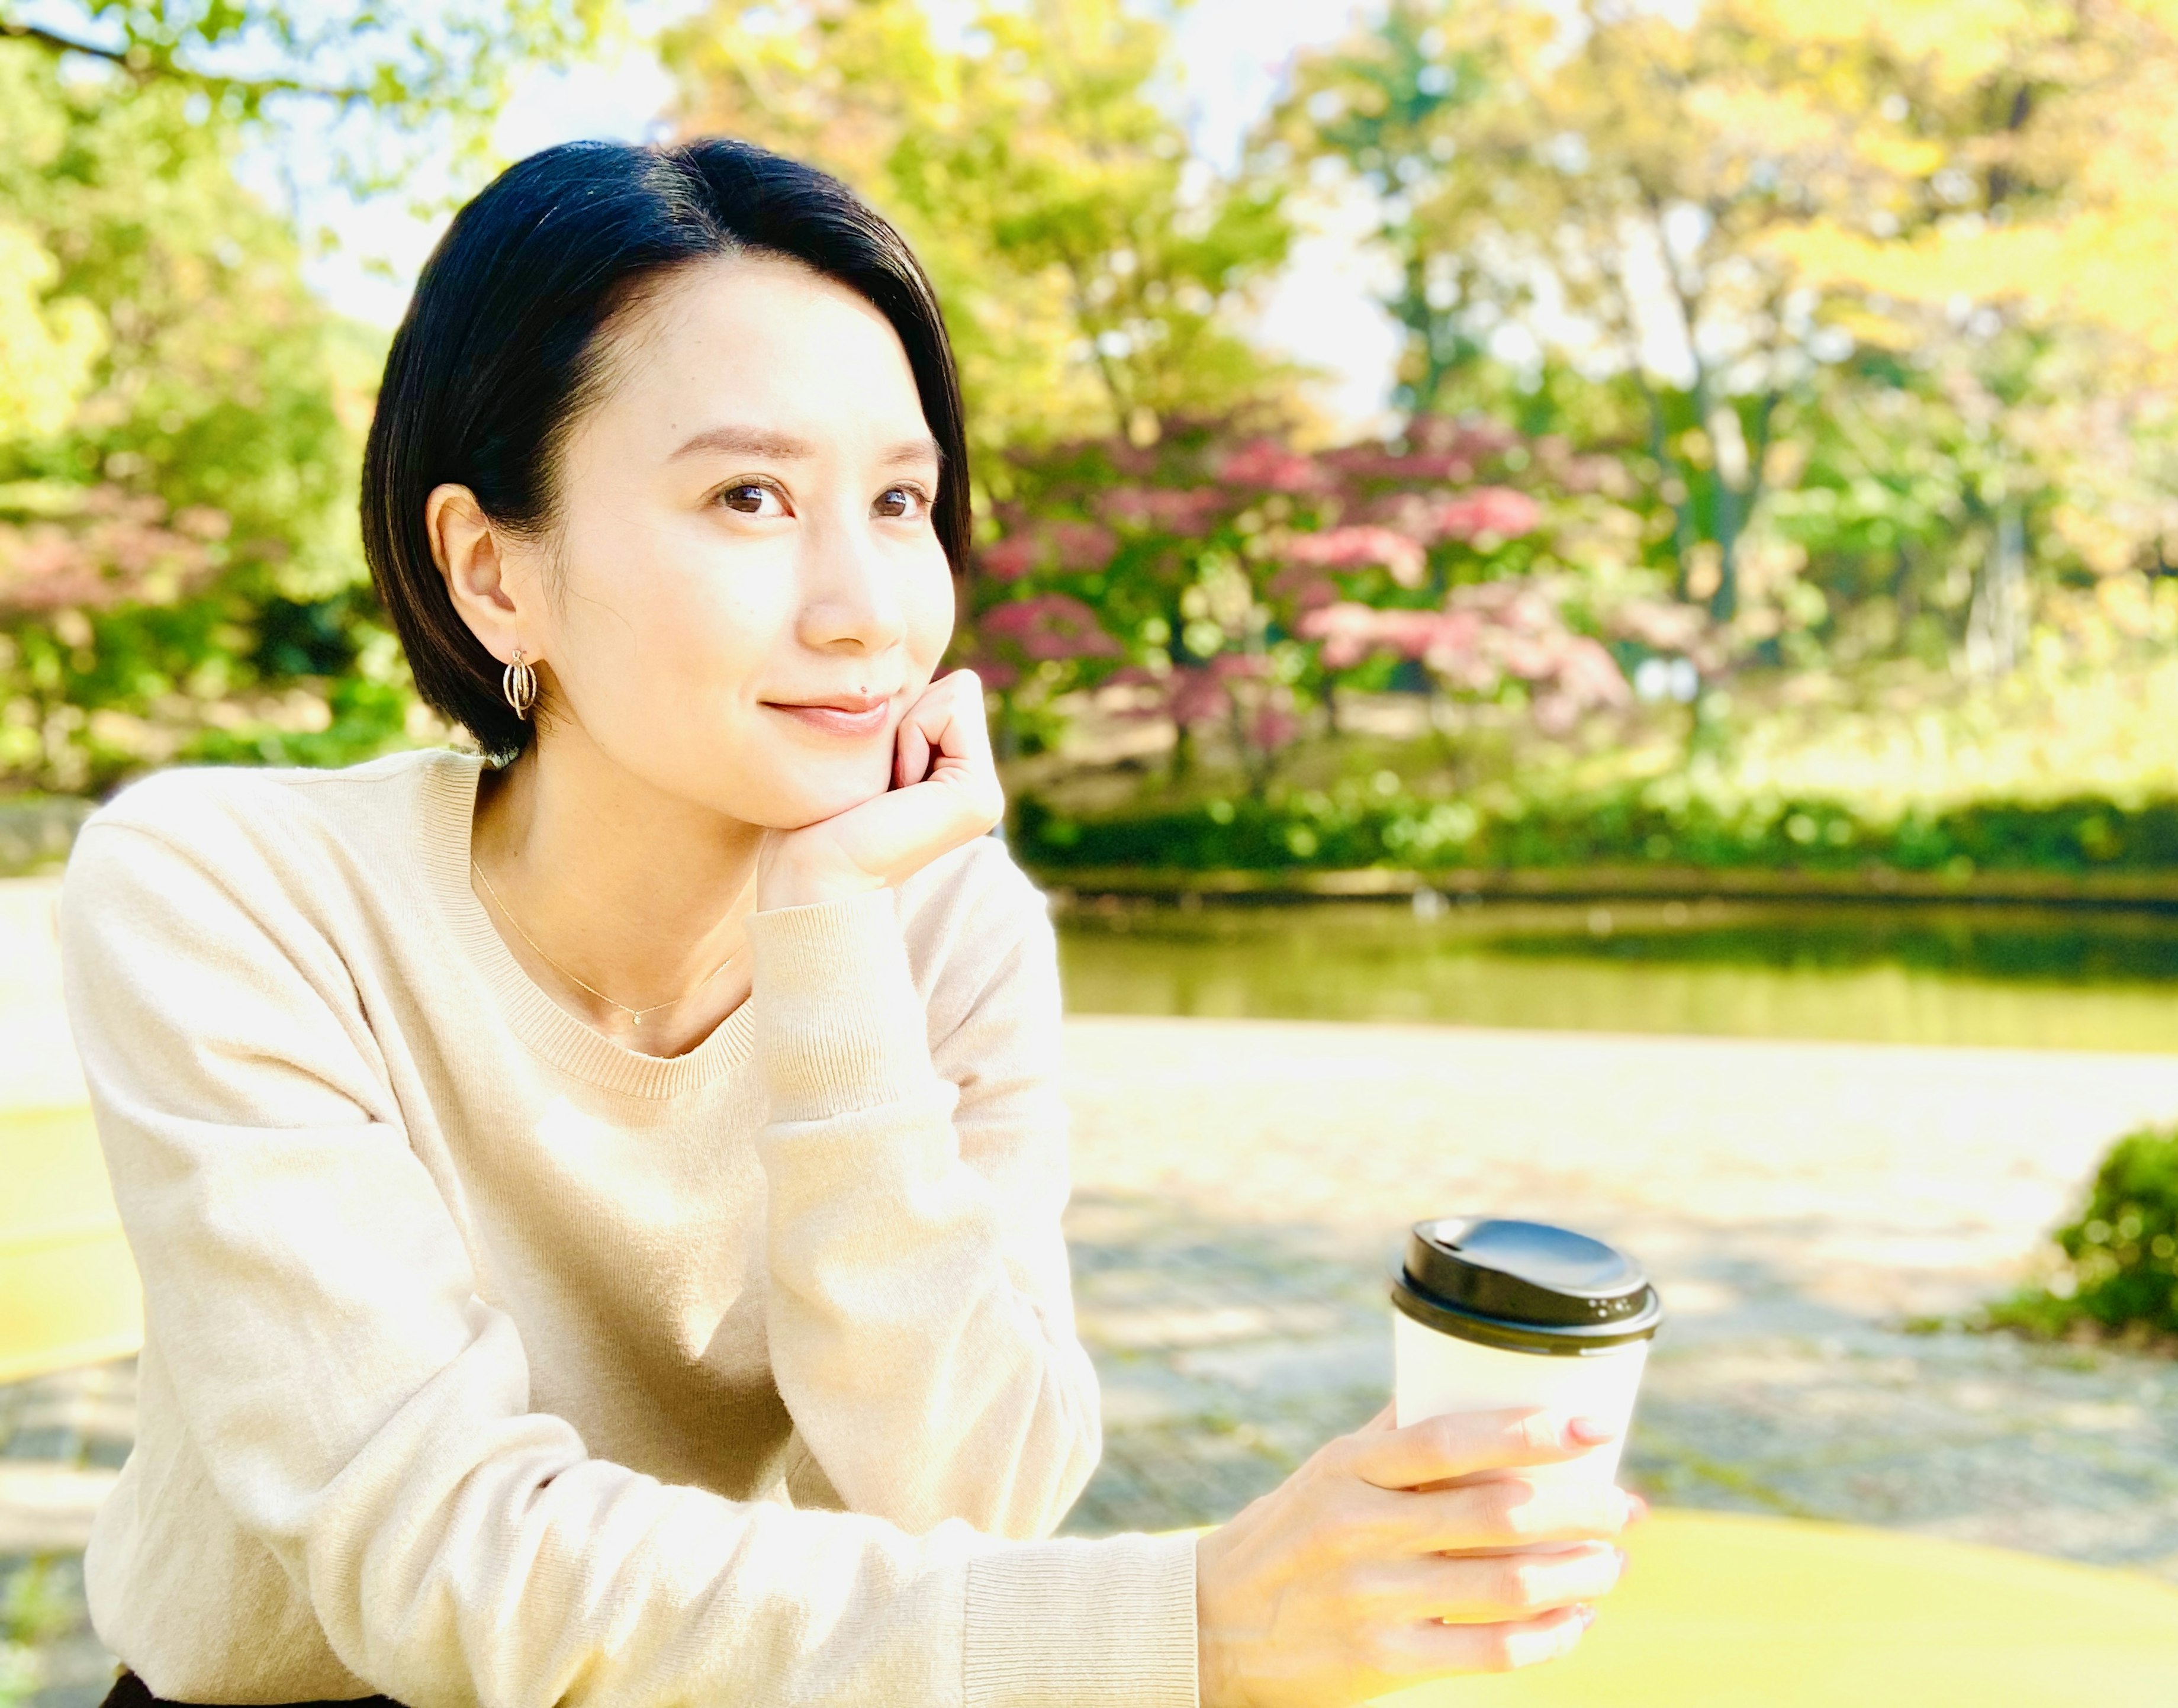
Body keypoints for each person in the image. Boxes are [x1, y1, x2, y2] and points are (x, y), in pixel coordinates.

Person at [57, 138, 1636, 1708]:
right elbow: (441, 1555)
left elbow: (968, 1499)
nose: (866, 606)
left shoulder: (942, 928)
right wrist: (1196, 1628)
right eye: (748, 497)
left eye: (898, 499)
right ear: (490, 573)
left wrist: (831, 947)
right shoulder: (234, 891)